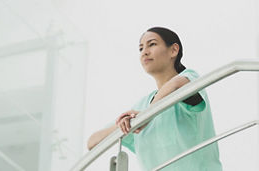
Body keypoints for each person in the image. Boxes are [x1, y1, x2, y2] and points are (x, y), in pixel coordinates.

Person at [87, 27, 222, 171]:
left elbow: (175, 85)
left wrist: (147, 115)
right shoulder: (141, 107)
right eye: (140, 48)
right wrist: (128, 123)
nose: (144, 52)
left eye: (152, 44)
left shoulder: (190, 79)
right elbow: (93, 142)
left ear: (173, 50)